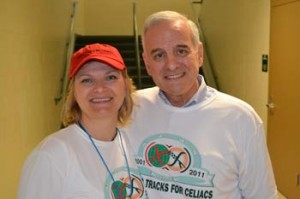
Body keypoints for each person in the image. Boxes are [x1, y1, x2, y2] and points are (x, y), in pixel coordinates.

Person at [123, 10, 278, 198]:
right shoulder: (130, 108)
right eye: (158, 55)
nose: (171, 65)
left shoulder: (240, 117)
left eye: (181, 51)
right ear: (147, 64)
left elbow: (262, 194)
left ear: (199, 54)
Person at [18, 43, 148, 199]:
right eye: (87, 80)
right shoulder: (51, 156)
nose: (100, 88)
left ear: (126, 85)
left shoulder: (131, 143)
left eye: (110, 77)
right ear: (74, 91)